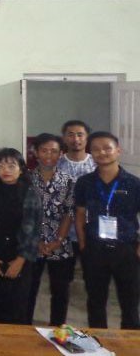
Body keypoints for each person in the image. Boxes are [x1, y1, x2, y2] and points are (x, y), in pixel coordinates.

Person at [74, 131, 140, 329]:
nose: (102, 153)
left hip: (126, 250)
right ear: (90, 153)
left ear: (118, 151)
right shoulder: (85, 182)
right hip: (95, 249)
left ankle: (131, 345)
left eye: (107, 148)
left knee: (130, 303)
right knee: (95, 302)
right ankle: (97, 346)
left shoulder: (134, 183)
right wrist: (84, 244)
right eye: (96, 149)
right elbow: (79, 214)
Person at [0, 148, 41, 325]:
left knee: (19, 306)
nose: (6, 170)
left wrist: (20, 260)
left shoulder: (29, 192)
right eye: (1, 166)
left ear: (21, 169)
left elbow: (32, 230)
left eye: (11, 166)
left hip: (21, 257)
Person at [27, 134, 76, 326]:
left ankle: (57, 329)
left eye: (54, 151)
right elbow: (23, 214)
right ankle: (24, 327)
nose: (49, 155)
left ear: (61, 154)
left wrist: (57, 240)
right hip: (31, 243)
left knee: (60, 291)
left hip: (60, 244)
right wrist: (36, 241)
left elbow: (69, 213)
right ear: (36, 153)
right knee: (29, 288)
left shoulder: (69, 181)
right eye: (44, 150)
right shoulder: (26, 179)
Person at [58, 120, 96, 255]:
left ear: (87, 137)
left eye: (80, 135)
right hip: (61, 229)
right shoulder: (57, 164)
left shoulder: (96, 163)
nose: (76, 139)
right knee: (63, 272)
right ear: (64, 138)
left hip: (91, 227)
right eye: (71, 135)